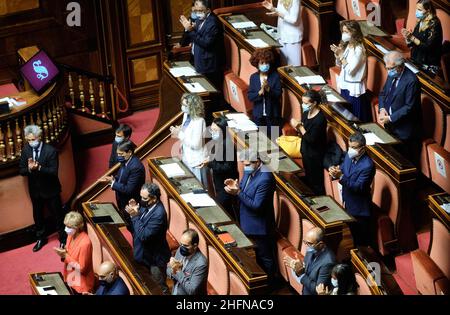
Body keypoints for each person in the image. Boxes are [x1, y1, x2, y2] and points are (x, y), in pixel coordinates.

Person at [224, 149, 277, 283]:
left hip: (260, 226)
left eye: (247, 164)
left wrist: (238, 192)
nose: (245, 166)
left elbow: (257, 205)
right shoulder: (250, 172)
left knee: (265, 257)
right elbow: (242, 188)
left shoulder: (266, 178)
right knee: (258, 256)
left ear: (258, 162)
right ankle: (262, 280)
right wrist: (234, 187)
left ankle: (270, 284)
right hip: (248, 221)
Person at [19, 125, 66, 252]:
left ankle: (63, 239)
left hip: (51, 190)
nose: (31, 142)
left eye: (33, 139)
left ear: (39, 137)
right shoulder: (26, 150)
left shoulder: (50, 151)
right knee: (38, 216)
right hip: (35, 191)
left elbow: (53, 172)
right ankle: (41, 238)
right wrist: (29, 169)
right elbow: (22, 171)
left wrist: (38, 168)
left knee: (58, 216)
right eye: (28, 140)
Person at [329, 132, 375, 247]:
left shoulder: (368, 165)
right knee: (354, 236)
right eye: (350, 146)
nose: (351, 149)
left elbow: (358, 187)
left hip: (360, 209)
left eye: (354, 147)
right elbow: (343, 169)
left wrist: (340, 176)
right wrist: (335, 171)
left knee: (361, 242)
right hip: (348, 203)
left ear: (363, 148)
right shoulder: (350, 157)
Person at [125, 183, 171, 294]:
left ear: (154, 198)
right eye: (141, 197)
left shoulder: (159, 214)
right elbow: (136, 228)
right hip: (144, 255)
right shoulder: (147, 206)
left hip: (155, 259)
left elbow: (144, 235)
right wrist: (134, 210)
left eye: (144, 198)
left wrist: (134, 216)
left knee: (160, 289)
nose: (141, 200)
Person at [378, 51, 422, 166]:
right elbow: (383, 93)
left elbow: (409, 107)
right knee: (391, 159)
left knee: (403, 163)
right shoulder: (392, 73)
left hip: (404, 131)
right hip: (390, 126)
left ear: (401, 66)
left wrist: (391, 118)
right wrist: (382, 109)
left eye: (391, 68)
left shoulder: (411, 81)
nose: (388, 71)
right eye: (387, 68)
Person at [179, 0, 225, 90]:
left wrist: (190, 30)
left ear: (208, 10)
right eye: (195, 10)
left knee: (210, 92)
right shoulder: (199, 19)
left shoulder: (213, 23)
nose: (197, 13)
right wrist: (188, 28)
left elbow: (205, 43)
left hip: (208, 66)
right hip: (198, 60)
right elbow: (196, 35)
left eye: (199, 11)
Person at [100, 141, 145, 230]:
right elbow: (122, 177)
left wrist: (112, 183)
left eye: (121, 154)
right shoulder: (125, 161)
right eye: (118, 154)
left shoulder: (136, 167)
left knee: (133, 228)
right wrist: (114, 179)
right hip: (122, 201)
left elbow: (129, 189)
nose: (118, 156)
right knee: (128, 225)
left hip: (131, 203)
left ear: (129, 152)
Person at [331, 20, 370, 122]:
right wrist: (337, 55)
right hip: (345, 85)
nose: (344, 34)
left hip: (354, 88)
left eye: (347, 32)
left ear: (354, 32)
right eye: (343, 31)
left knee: (356, 118)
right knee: (347, 116)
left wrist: (341, 55)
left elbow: (350, 70)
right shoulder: (347, 45)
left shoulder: (359, 50)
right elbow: (339, 65)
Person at [290, 89, 327, 195]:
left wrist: (299, 126)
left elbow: (311, 139)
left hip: (315, 155)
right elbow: (303, 132)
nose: (303, 105)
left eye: (306, 103)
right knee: (309, 177)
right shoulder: (306, 113)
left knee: (316, 182)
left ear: (314, 103)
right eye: (303, 102)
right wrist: (297, 126)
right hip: (306, 151)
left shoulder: (320, 119)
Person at [284, 227, 336, 295]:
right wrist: (297, 267)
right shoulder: (311, 249)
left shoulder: (328, 263)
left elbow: (318, 290)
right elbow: (306, 270)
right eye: (304, 242)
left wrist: (301, 274)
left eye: (309, 243)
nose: (306, 246)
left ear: (321, 244)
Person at [170, 93, 208, 186]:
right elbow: (187, 131)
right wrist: (179, 130)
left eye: (185, 105)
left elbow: (196, 144)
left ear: (193, 107)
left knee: (198, 186)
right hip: (186, 156)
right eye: (182, 104)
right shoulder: (186, 115)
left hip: (196, 160)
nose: (183, 107)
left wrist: (179, 134)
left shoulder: (199, 121)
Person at [204, 116, 238, 219]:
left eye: (215, 130)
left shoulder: (228, 145)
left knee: (224, 211)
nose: (213, 133)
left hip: (226, 184)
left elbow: (228, 167)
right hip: (219, 183)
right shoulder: (217, 142)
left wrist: (210, 164)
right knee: (226, 210)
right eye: (212, 130)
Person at [54, 211, 95, 294]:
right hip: (70, 275)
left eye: (69, 227)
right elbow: (69, 252)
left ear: (78, 227)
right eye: (66, 225)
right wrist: (63, 253)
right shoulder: (70, 235)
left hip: (81, 282)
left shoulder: (85, 243)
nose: (66, 229)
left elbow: (82, 268)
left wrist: (65, 256)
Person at [401, 0, 443, 75]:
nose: (416, 12)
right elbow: (412, 44)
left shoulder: (435, 24)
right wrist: (407, 37)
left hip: (428, 64)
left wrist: (412, 38)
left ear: (428, 10)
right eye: (416, 9)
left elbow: (427, 47)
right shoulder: (421, 20)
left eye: (420, 10)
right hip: (415, 60)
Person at [247, 48, 282, 137]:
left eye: (267, 63)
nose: (265, 65)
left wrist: (268, 89)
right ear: (257, 64)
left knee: (274, 139)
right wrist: (259, 92)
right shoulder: (253, 77)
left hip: (272, 115)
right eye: (262, 63)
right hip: (258, 115)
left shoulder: (275, 76)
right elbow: (250, 96)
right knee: (260, 140)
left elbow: (278, 94)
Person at [167, 229, 208, 295]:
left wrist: (177, 271)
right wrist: (173, 270)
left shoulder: (201, 264)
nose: (182, 247)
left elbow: (191, 290)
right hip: (176, 291)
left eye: (186, 246)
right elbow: (168, 269)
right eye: (181, 244)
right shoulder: (180, 251)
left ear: (195, 246)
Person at [263, 0, 303, 66]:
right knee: (284, 66)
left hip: (292, 36)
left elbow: (294, 20)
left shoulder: (295, 0)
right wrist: (272, 9)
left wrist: (278, 13)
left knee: (294, 68)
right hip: (282, 34)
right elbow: (281, 12)